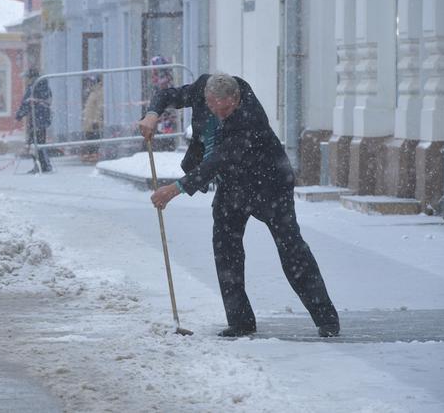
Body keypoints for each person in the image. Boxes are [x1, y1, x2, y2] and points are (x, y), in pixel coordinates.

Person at [139, 72, 340, 338]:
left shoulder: (249, 116)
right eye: (212, 107)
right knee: (225, 247)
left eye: (224, 110)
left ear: (235, 98)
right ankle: (240, 321)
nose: (219, 113)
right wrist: (153, 113)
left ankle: (326, 319)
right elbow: (168, 95)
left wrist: (176, 189)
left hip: (269, 184)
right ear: (206, 98)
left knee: (291, 247)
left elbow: (220, 159)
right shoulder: (202, 89)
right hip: (233, 184)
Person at [15, 68, 52, 173]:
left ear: (31, 78)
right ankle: (43, 165)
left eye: (27, 78)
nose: (25, 80)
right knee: (40, 143)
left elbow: (26, 103)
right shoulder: (44, 86)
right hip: (43, 119)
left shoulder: (33, 87)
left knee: (34, 144)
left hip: (36, 119)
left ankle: (41, 166)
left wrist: (19, 115)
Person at [81, 74, 104, 163]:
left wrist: (96, 120)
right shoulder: (93, 92)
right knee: (89, 136)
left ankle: (94, 153)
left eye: (91, 81)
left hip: (94, 121)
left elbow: (99, 107)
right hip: (89, 121)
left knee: (94, 137)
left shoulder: (99, 92)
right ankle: (91, 153)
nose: (89, 83)